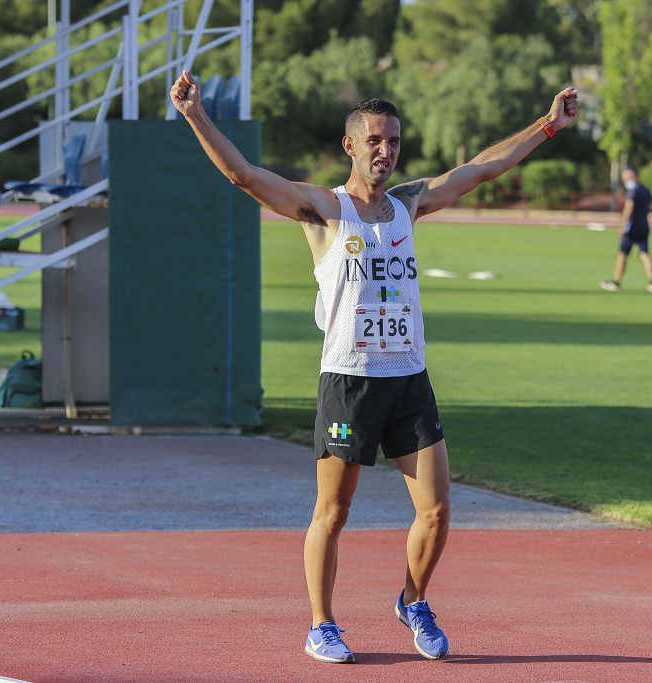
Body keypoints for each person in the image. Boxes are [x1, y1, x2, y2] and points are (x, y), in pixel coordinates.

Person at [170, 69, 578, 663]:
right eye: (375, 141)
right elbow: (244, 175)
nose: (386, 151)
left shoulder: (410, 204)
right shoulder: (324, 211)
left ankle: (413, 600)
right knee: (332, 514)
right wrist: (195, 115)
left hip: (408, 378)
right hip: (350, 381)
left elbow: (482, 169)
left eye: (393, 141)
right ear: (351, 146)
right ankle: (322, 625)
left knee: (436, 511)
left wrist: (548, 126)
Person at [600, 168, 652, 292]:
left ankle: (616, 282)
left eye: (626, 178)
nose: (626, 181)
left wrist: (623, 225)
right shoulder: (646, 190)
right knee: (644, 253)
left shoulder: (633, 190)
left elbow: (629, 207)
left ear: (633, 177)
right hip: (644, 226)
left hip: (631, 228)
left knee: (622, 254)